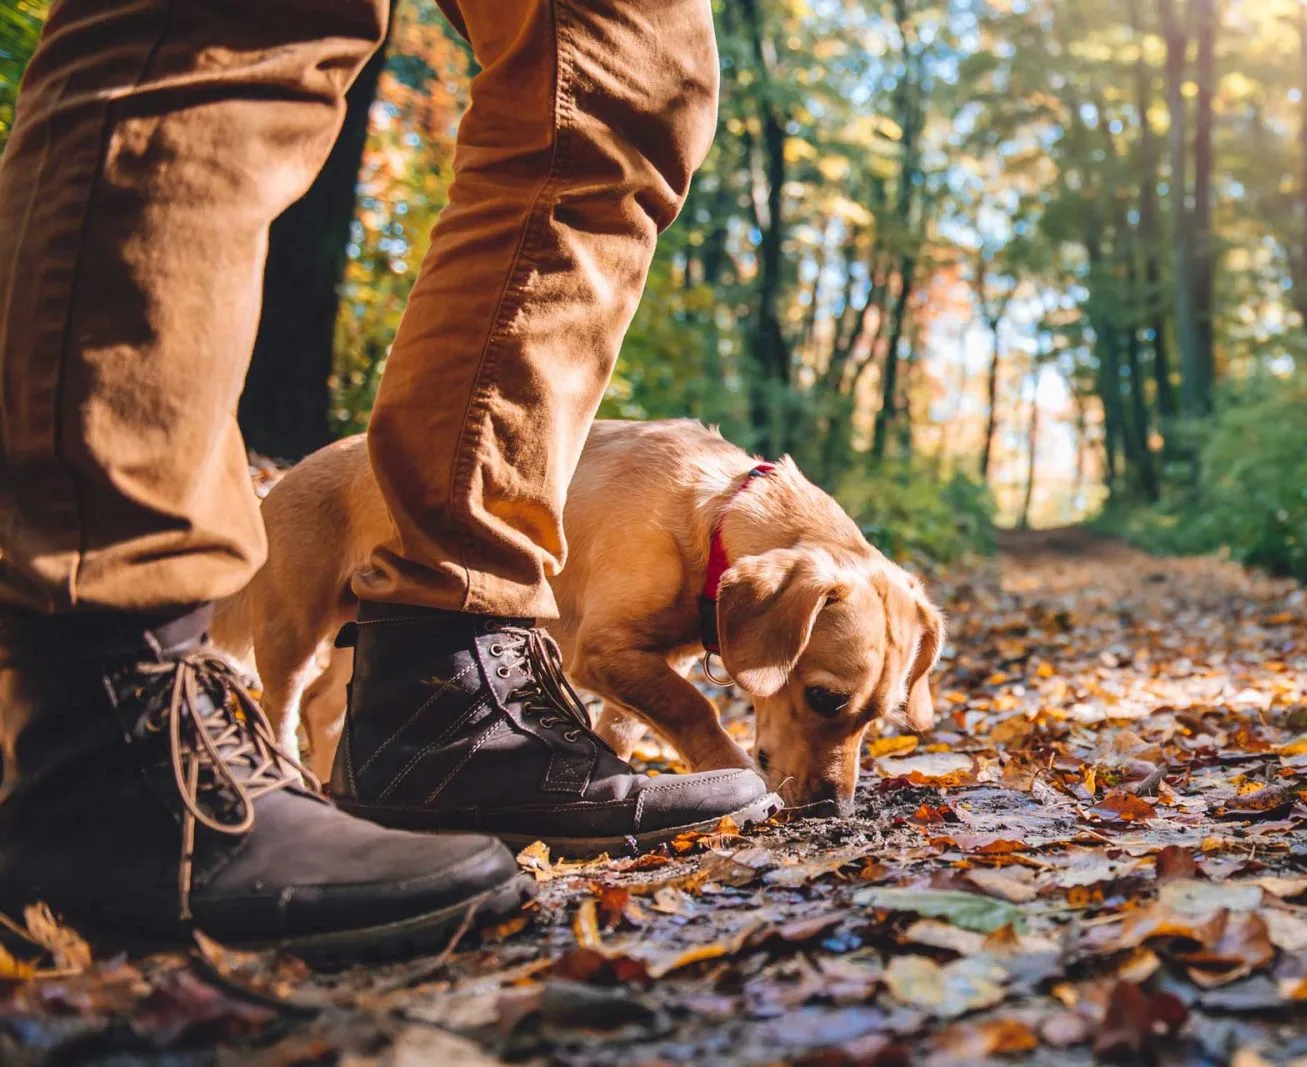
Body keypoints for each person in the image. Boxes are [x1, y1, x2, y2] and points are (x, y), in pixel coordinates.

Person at [0, 0, 775, 961]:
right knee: (228, 21)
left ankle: (444, 691)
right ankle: (105, 702)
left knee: (627, 78)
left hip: (449, 619)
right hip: (111, 667)